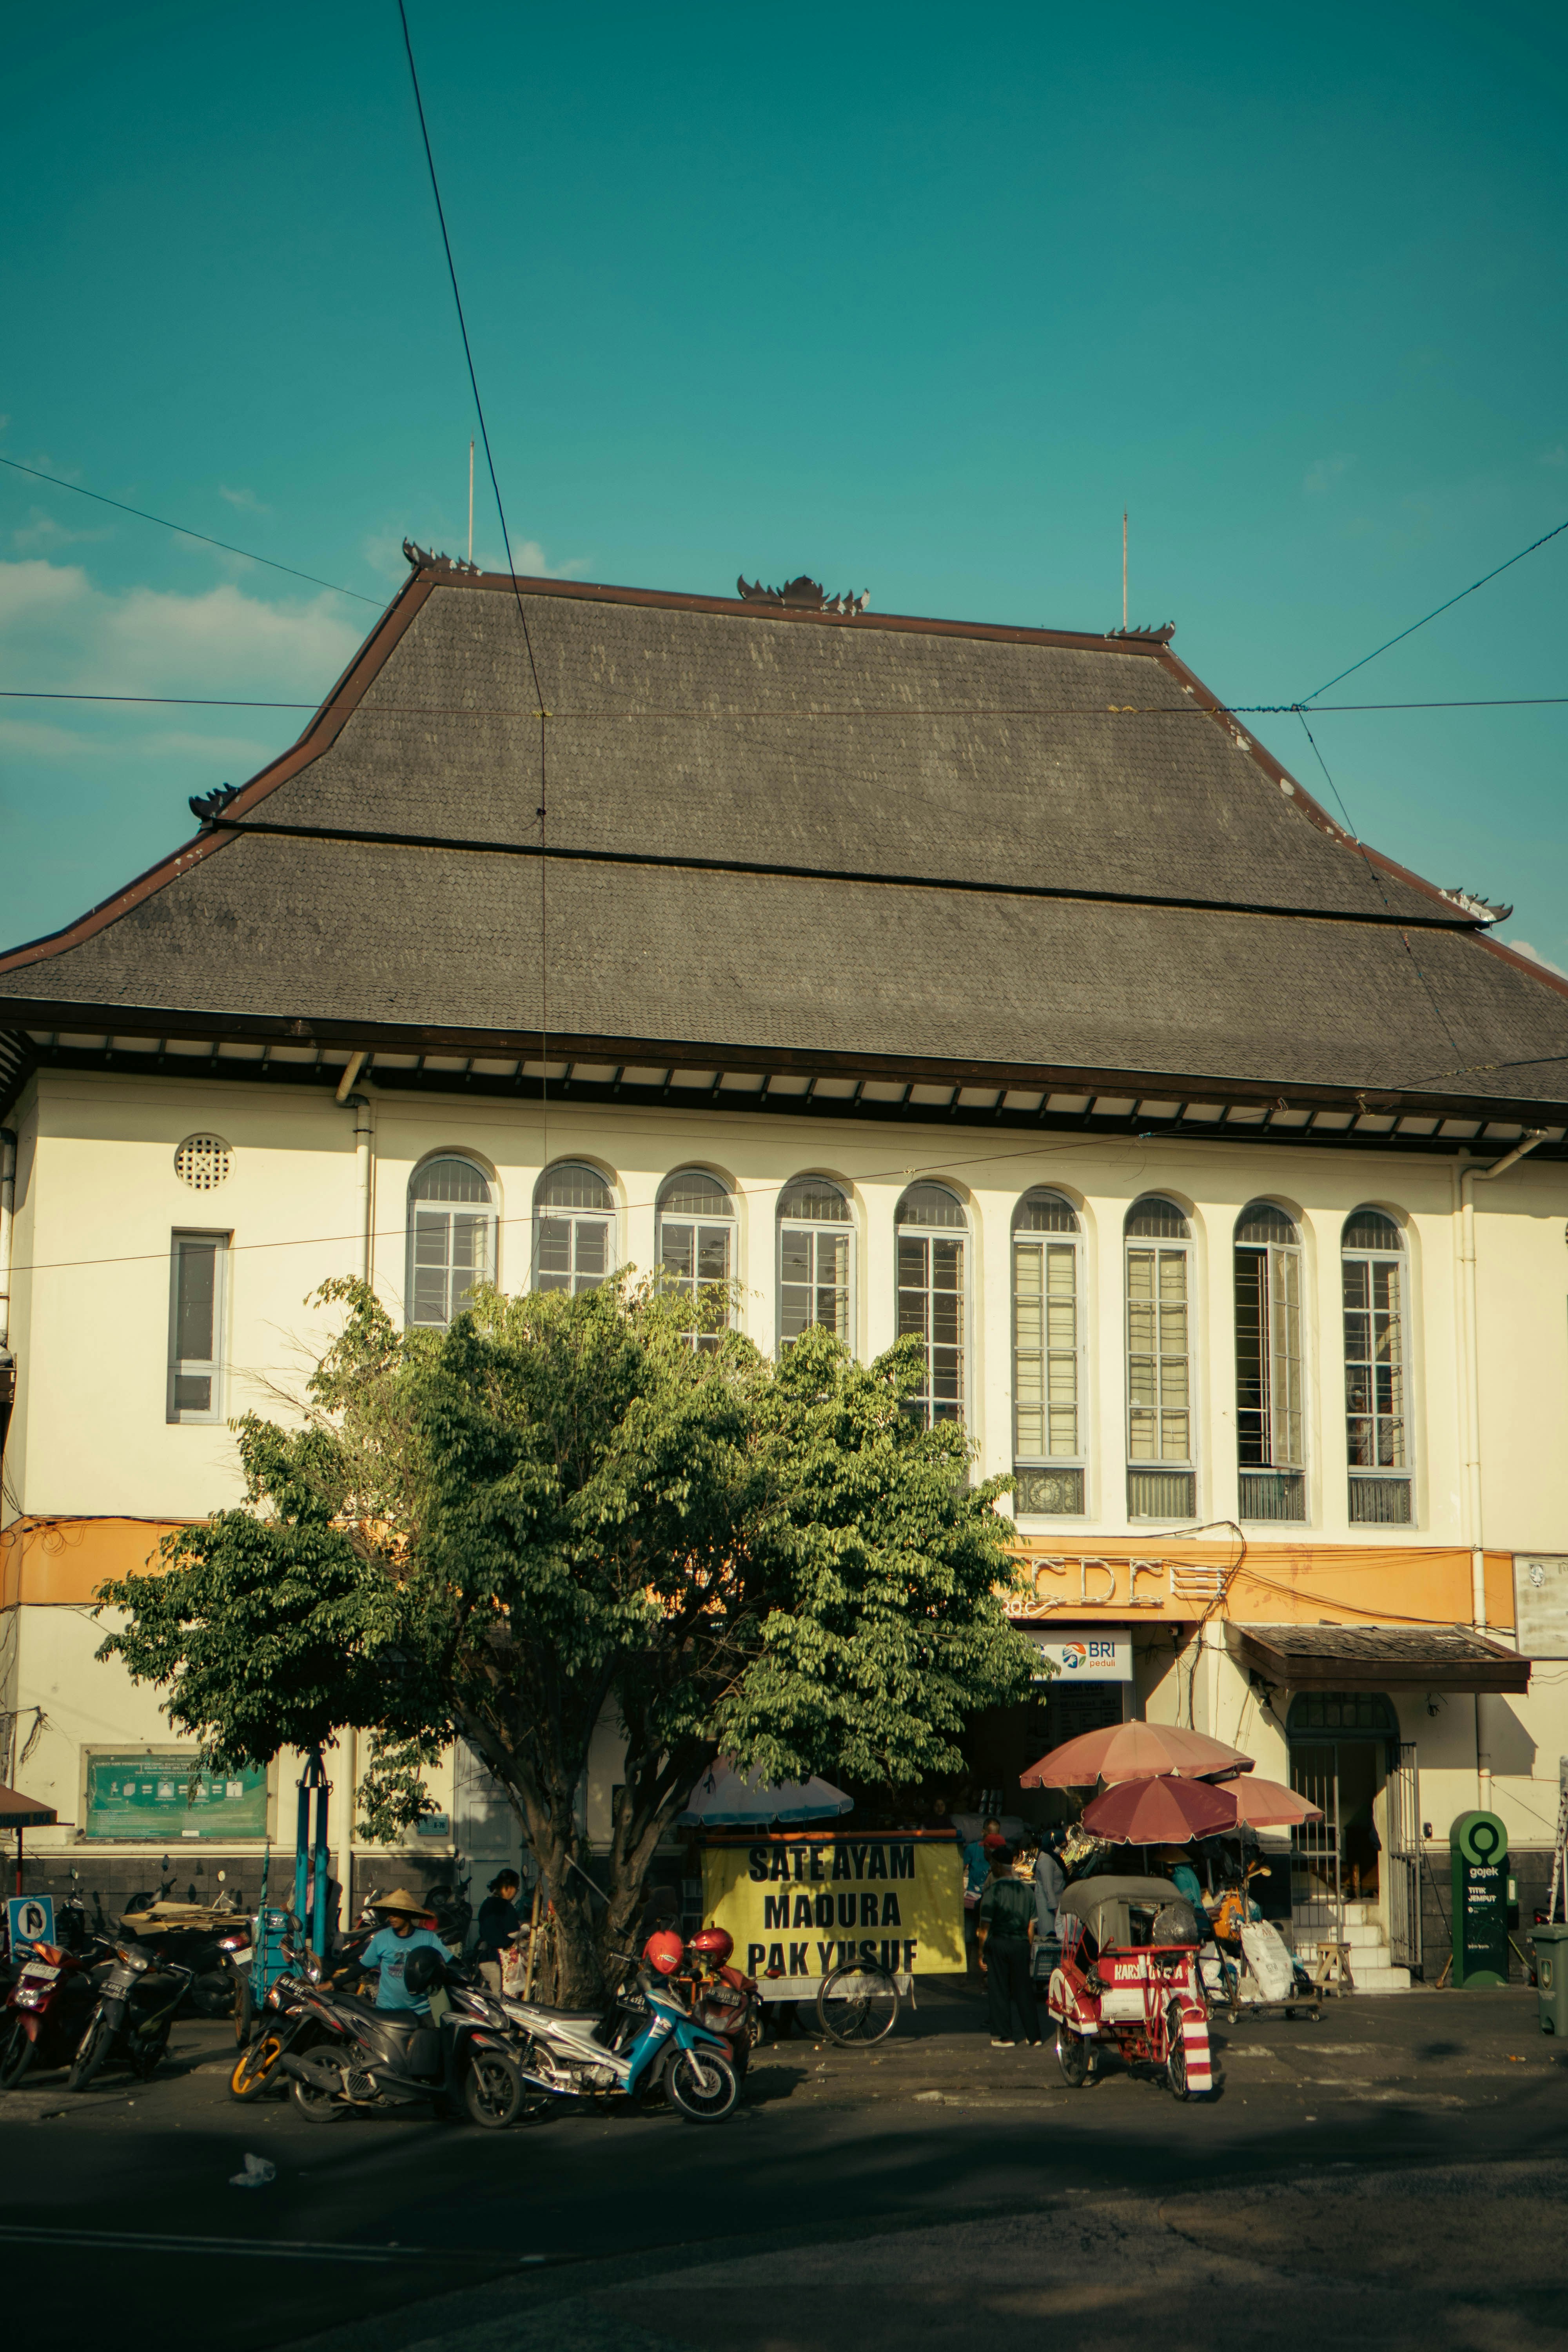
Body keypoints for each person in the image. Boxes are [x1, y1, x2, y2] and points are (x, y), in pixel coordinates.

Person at [976, 1844, 1042, 2047]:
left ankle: (1005, 2036)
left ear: (997, 1866)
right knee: (1024, 1991)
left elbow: (985, 1928)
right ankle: (1034, 2036)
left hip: (999, 1944)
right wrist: (1026, 1947)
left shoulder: (993, 1892)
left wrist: (981, 1953)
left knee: (1000, 1990)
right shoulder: (1027, 1891)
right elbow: (1032, 1926)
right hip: (1021, 1944)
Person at [358, 1888, 451, 2014]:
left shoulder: (427, 1938)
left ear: (407, 1914)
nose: (391, 1916)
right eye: (389, 1912)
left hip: (420, 2012)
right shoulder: (382, 1938)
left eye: (396, 1913)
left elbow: (449, 1963)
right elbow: (363, 1966)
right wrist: (333, 1983)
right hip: (387, 2012)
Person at [473, 1869, 525, 1991]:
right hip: (498, 1962)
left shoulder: (486, 1903)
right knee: (502, 2001)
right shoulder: (505, 1906)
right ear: (508, 1888)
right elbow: (513, 1933)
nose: (515, 1894)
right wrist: (525, 1930)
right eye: (516, 1889)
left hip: (484, 1958)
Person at [961, 1816, 1002, 1974]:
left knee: (989, 1937)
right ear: (983, 1832)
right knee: (969, 1937)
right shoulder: (972, 1849)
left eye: (996, 1835)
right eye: (989, 1835)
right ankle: (966, 1971)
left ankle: (987, 1973)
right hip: (973, 1899)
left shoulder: (1001, 1851)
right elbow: (962, 1869)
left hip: (990, 1902)